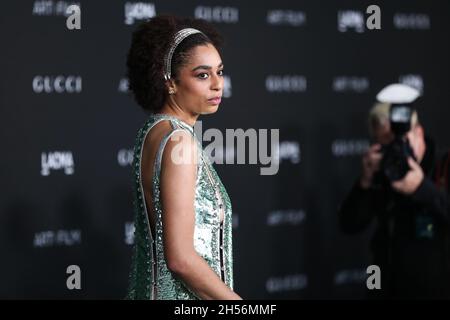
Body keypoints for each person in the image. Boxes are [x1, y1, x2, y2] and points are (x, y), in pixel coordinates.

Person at [125, 15, 241, 300]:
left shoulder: (154, 129)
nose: (217, 84)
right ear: (170, 82)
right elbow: (180, 258)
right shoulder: (180, 141)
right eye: (202, 75)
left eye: (220, 71)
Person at [338, 84, 450, 299]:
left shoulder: (444, 164)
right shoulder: (383, 170)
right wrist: (365, 181)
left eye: (401, 141)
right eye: (386, 144)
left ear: (419, 132)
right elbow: (349, 223)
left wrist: (422, 189)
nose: (396, 149)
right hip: (382, 283)